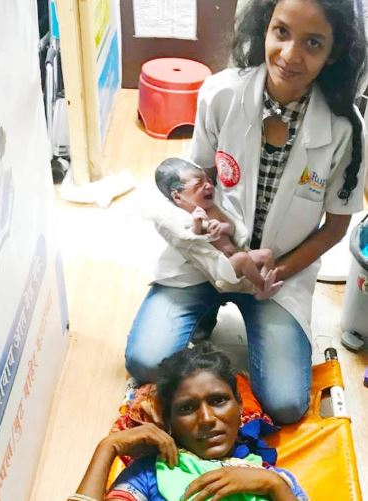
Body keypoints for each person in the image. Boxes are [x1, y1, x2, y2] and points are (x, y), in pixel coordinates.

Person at [125, 0, 367, 424]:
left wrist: (276, 271)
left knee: (287, 404)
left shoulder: (346, 130)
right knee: (145, 361)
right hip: (206, 259)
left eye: (313, 43)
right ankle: (203, 311)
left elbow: (337, 226)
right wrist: (222, 254)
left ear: (334, 53)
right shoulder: (221, 93)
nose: (290, 55)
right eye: (281, 32)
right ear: (264, 29)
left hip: (278, 277)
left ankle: (230, 310)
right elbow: (195, 180)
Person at [69, 344, 307, 501]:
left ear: (240, 406)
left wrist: (272, 486)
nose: (207, 419)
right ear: (168, 421)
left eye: (218, 400)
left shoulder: (273, 479)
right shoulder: (150, 475)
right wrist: (108, 447)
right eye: (186, 408)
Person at [155, 157, 284, 300]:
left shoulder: (213, 209)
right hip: (224, 269)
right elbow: (193, 240)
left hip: (237, 255)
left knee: (267, 254)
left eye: (208, 181)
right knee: (242, 258)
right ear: (178, 197)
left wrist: (223, 227)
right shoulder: (187, 218)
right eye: (199, 185)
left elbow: (231, 227)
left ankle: (264, 280)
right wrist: (198, 225)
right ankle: (262, 288)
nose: (209, 186)